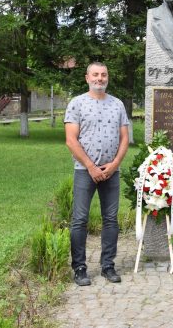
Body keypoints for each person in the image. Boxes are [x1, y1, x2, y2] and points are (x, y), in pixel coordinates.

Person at [64, 62, 130, 286]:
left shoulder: (117, 104)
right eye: (95, 74)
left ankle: (108, 265)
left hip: (112, 171)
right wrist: (91, 166)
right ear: (87, 78)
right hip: (84, 171)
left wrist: (114, 164)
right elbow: (71, 140)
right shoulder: (77, 103)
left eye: (103, 75)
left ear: (107, 78)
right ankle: (80, 268)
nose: (100, 78)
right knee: (79, 220)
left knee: (110, 220)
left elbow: (124, 138)